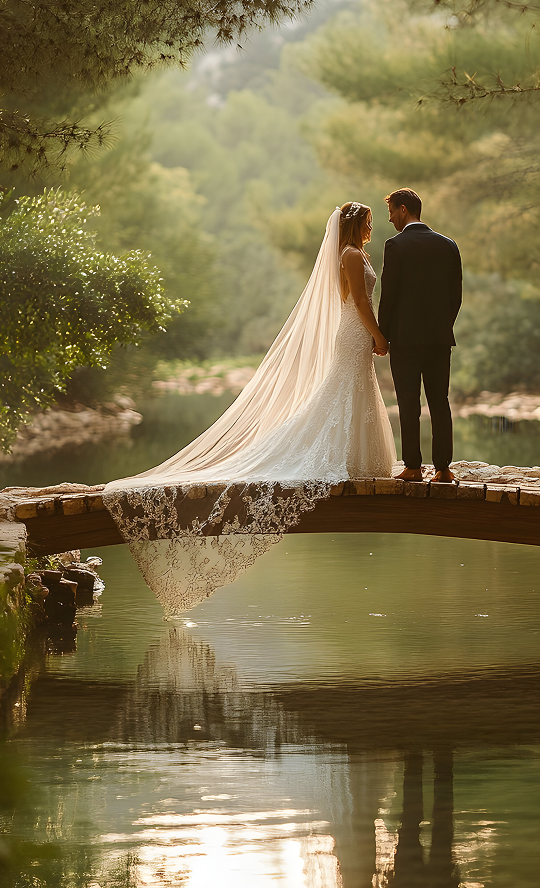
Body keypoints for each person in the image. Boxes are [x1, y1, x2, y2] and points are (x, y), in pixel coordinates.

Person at [104, 202, 396, 615]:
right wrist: (379, 336)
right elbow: (361, 305)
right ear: (353, 225)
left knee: (353, 389)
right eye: (367, 223)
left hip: (356, 334)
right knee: (344, 388)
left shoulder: (356, 254)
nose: (371, 229)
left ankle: (355, 457)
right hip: (354, 331)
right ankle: (333, 455)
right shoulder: (349, 256)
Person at [378, 188, 462, 484]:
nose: (390, 220)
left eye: (391, 212)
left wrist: (383, 335)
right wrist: (442, 325)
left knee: (408, 403)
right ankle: (443, 469)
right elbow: (456, 295)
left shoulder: (396, 245)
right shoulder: (448, 245)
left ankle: (413, 466)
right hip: (440, 338)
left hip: (405, 339)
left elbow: (389, 295)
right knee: (440, 401)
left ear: (403, 209)